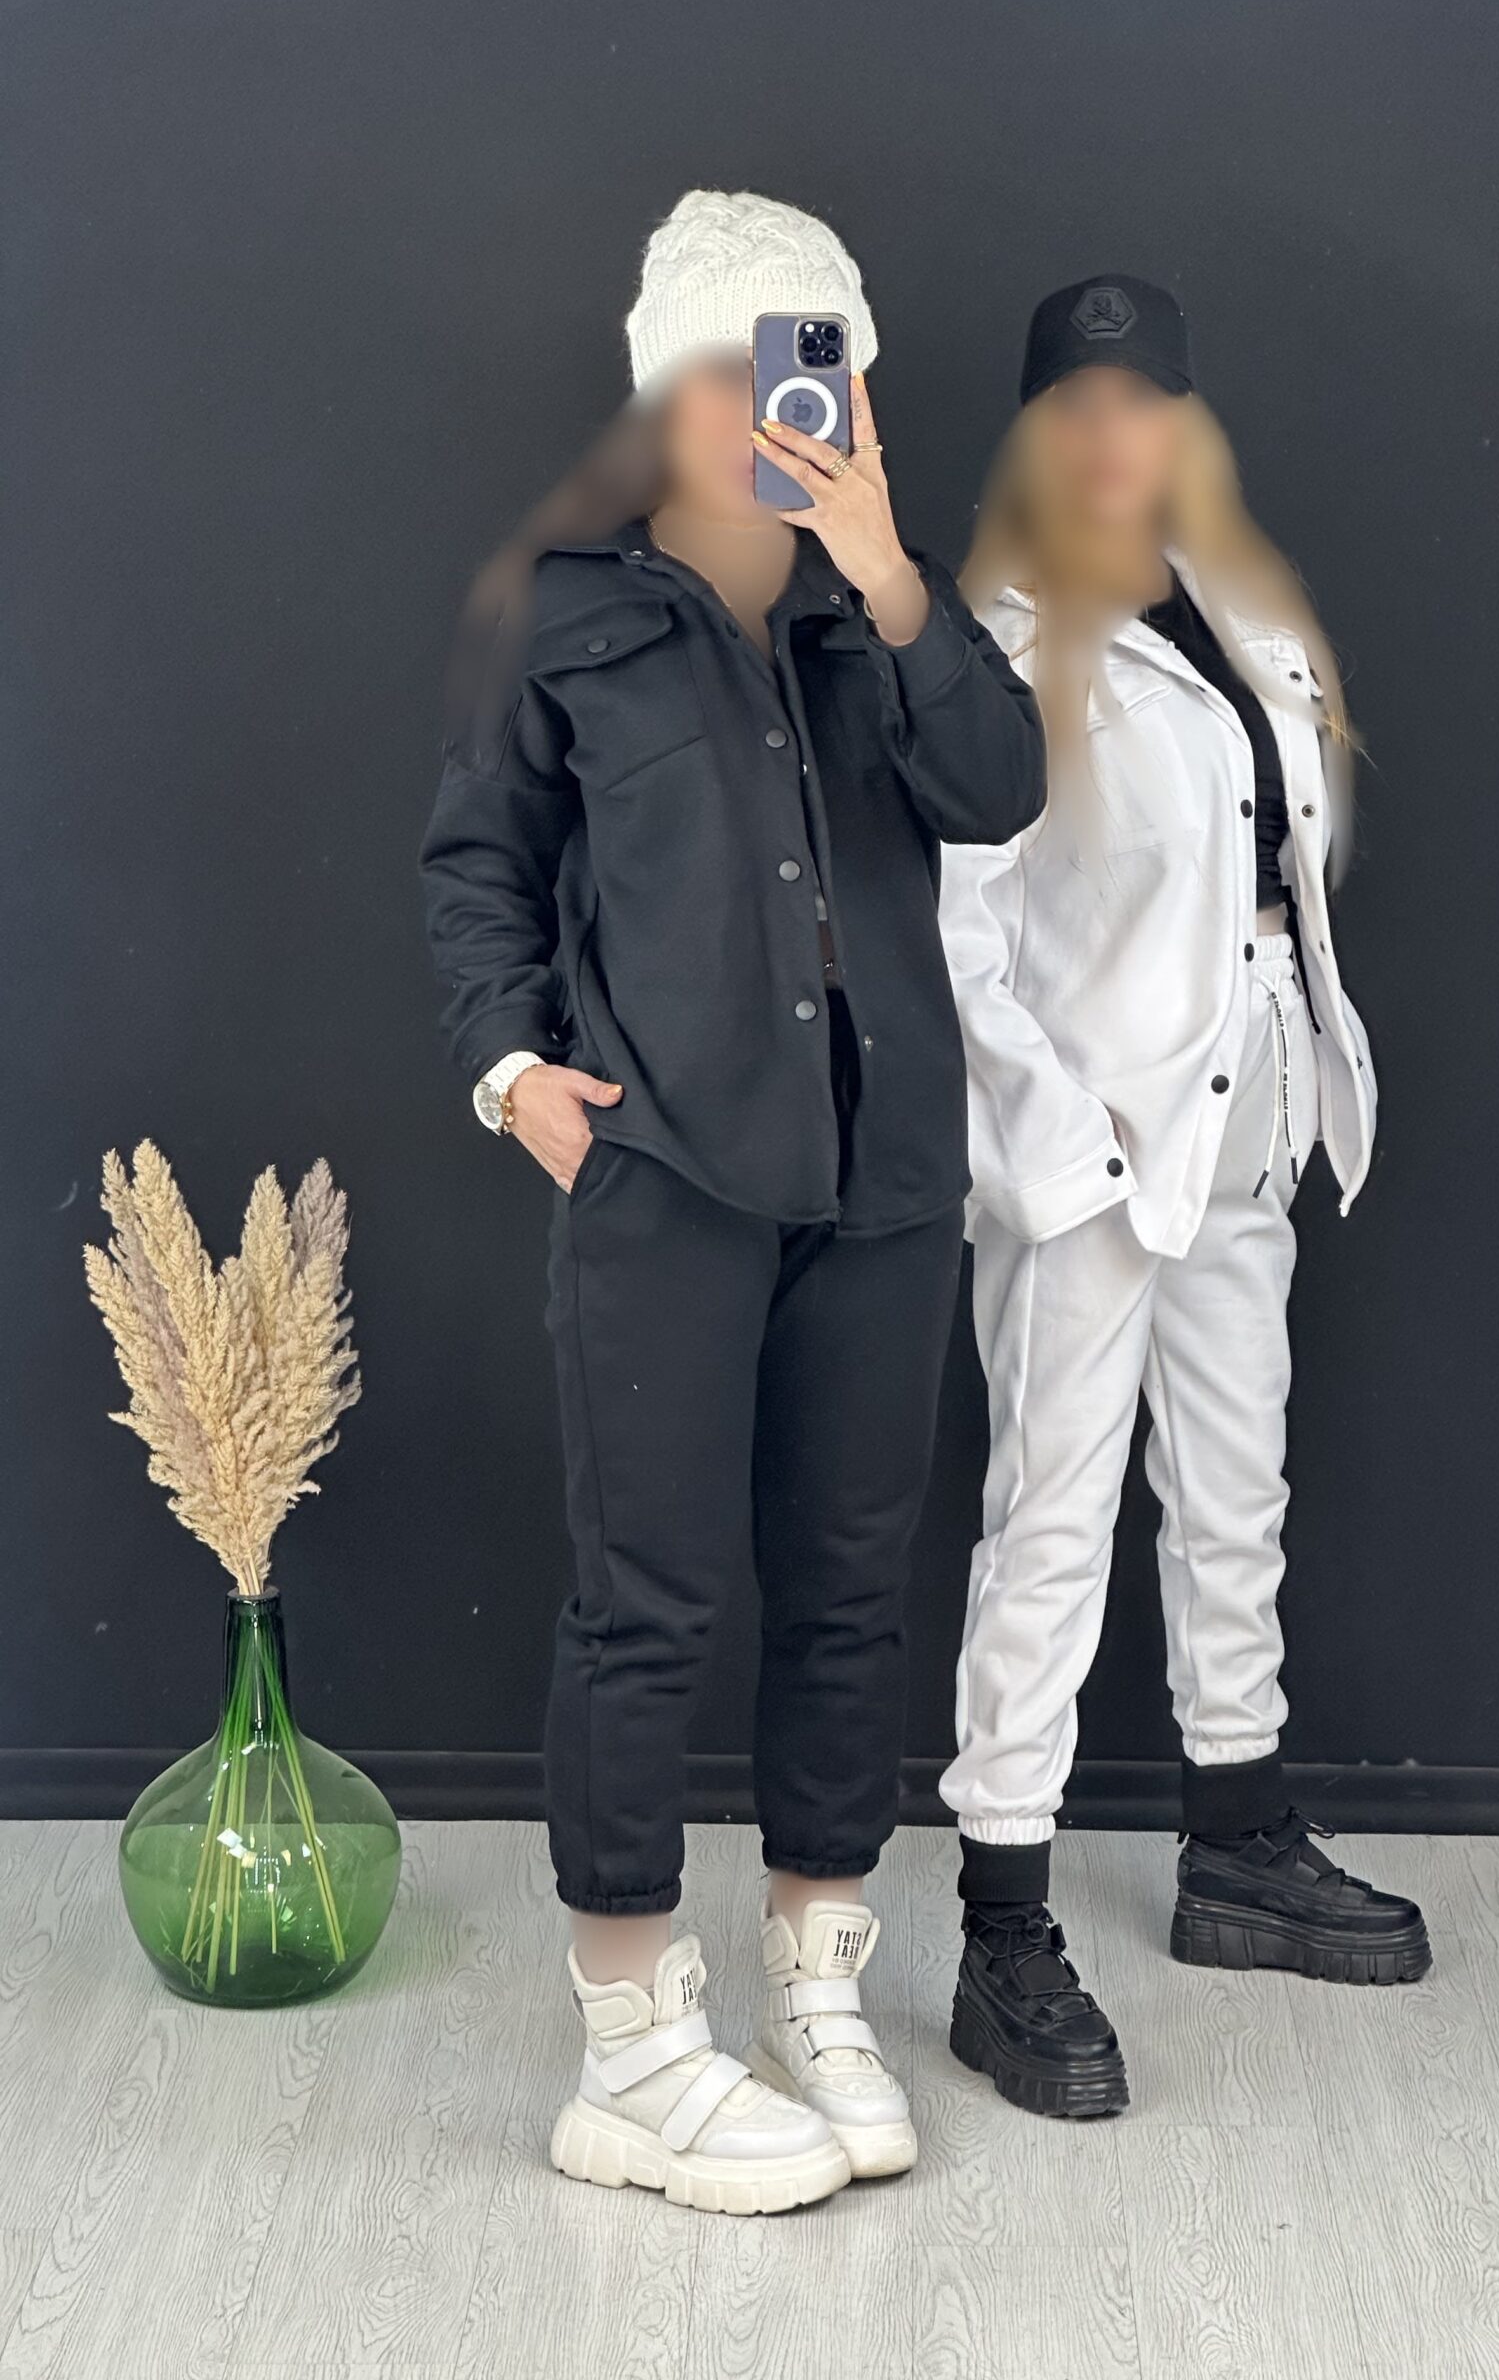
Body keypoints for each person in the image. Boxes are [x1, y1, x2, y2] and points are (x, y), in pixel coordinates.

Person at [421, 190, 1046, 2209]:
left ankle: (815, 1984)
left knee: (852, 1589)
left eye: (799, 363)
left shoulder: (889, 614)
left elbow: (1000, 789)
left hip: (885, 1176)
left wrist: (889, 574)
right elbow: (478, 863)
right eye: (723, 366)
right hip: (668, 1173)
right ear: (661, 391)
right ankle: (626, 2045)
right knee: (648, 1600)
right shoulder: (564, 612)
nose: (759, 404)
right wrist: (514, 1075)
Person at [935, 274, 1429, 2120]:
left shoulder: (1239, 613)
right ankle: (1002, 1920)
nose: (1113, 435)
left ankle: (1240, 1836)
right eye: (1078, 403)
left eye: (1144, 401)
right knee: (1049, 1522)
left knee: (1236, 1490)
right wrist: (1058, 1153)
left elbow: (1281, 866)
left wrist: (1289, 1063)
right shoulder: (996, 646)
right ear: (1037, 430)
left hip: (1249, 1124)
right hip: (1092, 1156)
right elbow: (956, 940)